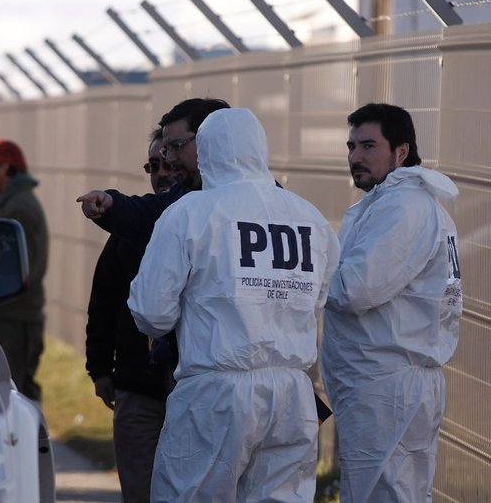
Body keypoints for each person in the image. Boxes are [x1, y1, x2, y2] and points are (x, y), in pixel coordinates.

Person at [127, 108, 340, 502]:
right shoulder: (308, 217)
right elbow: (320, 295)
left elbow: (151, 313)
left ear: (205, 152)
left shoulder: (190, 212)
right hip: (292, 392)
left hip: (216, 390)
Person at [320, 103, 463, 503]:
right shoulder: (402, 203)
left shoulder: (404, 207)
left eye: (368, 146)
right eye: (351, 146)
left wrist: (306, 268)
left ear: (401, 152)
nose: (355, 157)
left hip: (387, 387)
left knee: (384, 494)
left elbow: (352, 289)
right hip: (391, 384)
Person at [85, 128, 183, 503]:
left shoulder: (209, 223)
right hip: (138, 386)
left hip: (192, 386)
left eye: (169, 162)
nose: (162, 172)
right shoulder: (130, 227)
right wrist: (100, 368)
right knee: (140, 490)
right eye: (153, 164)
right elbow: (105, 299)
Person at [76, 98, 230, 247]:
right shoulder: (178, 200)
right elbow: (144, 213)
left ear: (208, 140)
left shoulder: (244, 201)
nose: (169, 159)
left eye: (177, 145)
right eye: (154, 164)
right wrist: (110, 204)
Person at [0, 138, 48, 401]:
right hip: (14, 317)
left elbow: (22, 269)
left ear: (4, 168)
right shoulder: (13, 202)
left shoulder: (19, 207)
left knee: (13, 397)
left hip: (15, 320)